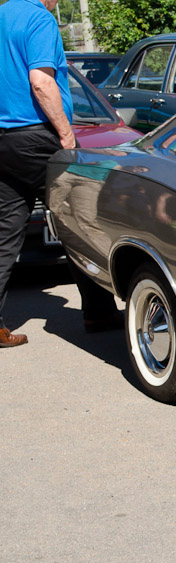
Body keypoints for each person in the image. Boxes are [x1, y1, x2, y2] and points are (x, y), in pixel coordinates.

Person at [0, 0, 118, 348]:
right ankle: (98, 312)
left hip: (4, 141)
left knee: (5, 234)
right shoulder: (39, 19)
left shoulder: (2, 15)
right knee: (81, 221)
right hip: (37, 136)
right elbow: (40, 82)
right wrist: (66, 136)